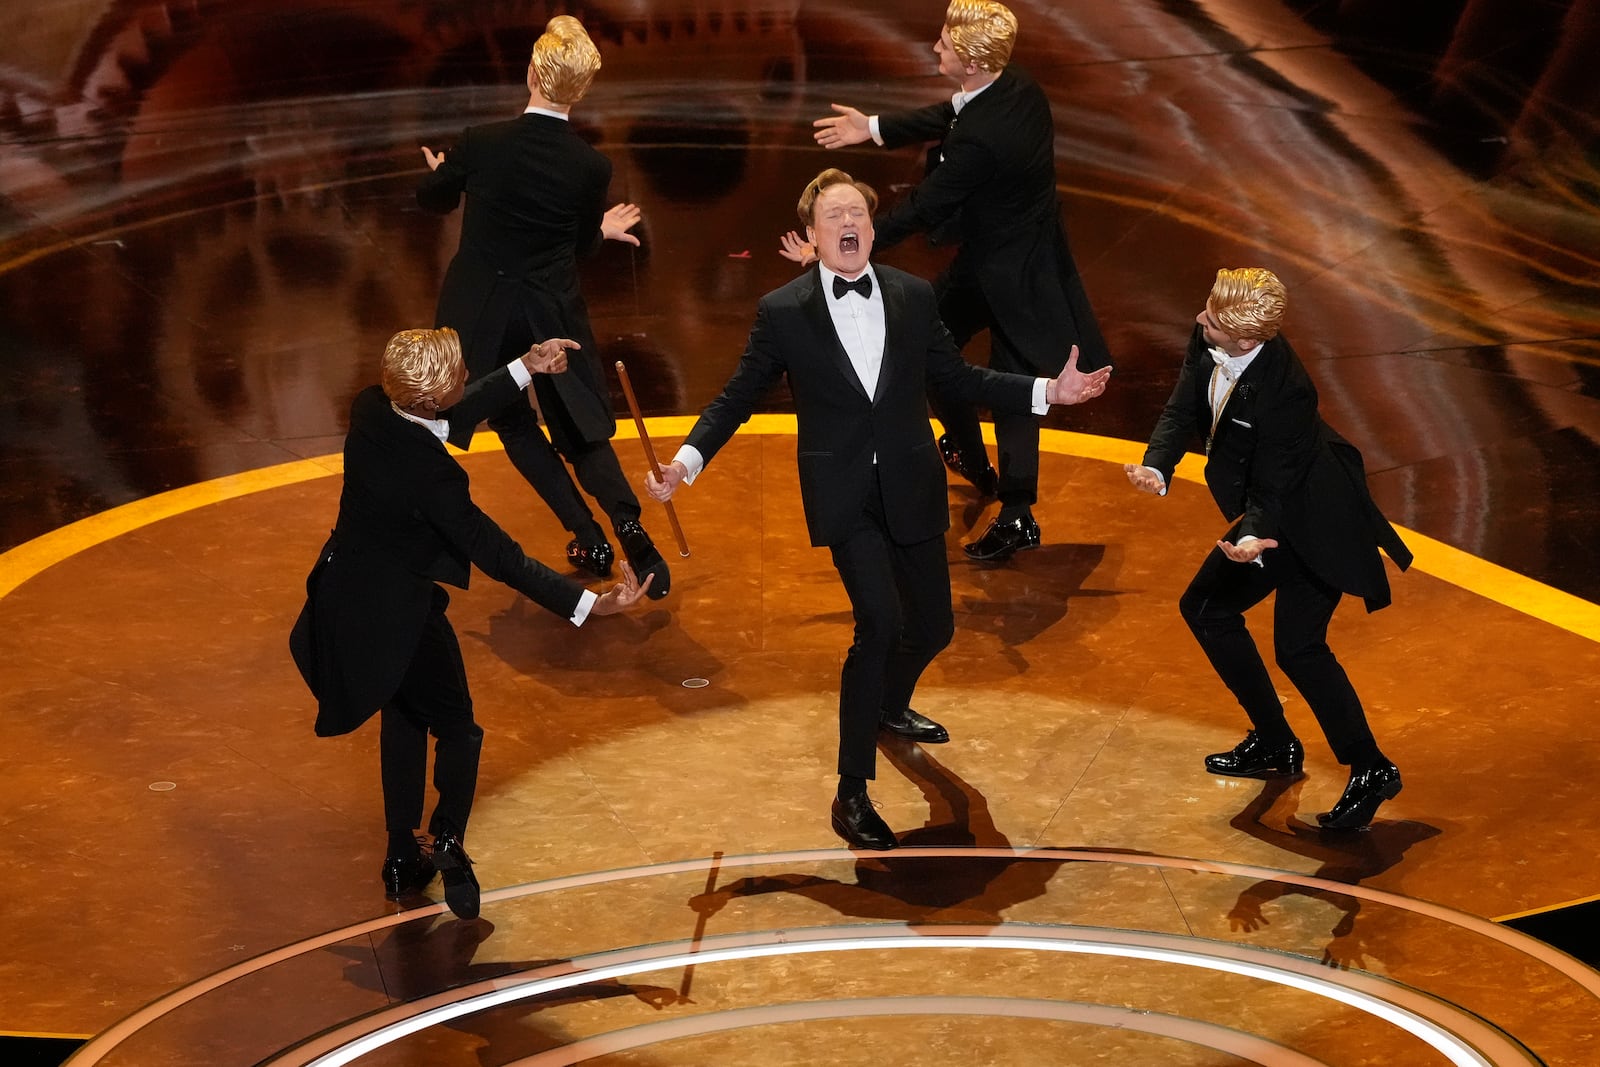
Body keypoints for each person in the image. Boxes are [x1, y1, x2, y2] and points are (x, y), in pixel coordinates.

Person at [646, 169, 1110, 850]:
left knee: (935, 626)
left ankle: (890, 705)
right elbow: (737, 395)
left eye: (857, 212)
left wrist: (1047, 390)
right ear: (811, 235)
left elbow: (957, 379)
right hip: (845, 496)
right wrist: (684, 464)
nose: (848, 224)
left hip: (910, 483)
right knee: (878, 622)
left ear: (870, 225)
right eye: (833, 215)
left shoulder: (912, 295)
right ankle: (852, 789)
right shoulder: (783, 311)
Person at [289, 327, 652, 920]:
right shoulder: (433, 479)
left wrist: (525, 369)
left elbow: (455, 410)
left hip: (348, 600)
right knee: (459, 729)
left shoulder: (373, 408)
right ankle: (450, 835)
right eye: (458, 373)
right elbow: (499, 554)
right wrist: (588, 606)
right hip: (401, 613)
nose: (465, 377)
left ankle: (402, 855)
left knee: (402, 722)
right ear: (429, 398)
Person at [804, 0, 1111, 562]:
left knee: (1017, 394)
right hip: (995, 259)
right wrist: (872, 128)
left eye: (944, 42)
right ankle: (973, 457)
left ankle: (1017, 512)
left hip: (1018, 278)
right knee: (930, 347)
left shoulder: (980, 141)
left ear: (970, 61)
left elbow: (923, 207)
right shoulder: (1015, 85)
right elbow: (954, 111)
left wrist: (847, 245)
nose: (936, 47)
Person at [1124, 268, 1412, 830]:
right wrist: (1158, 465)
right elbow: (1184, 404)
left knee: (1299, 649)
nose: (1199, 319)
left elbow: (1275, 483)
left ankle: (1372, 768)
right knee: (1207, 609)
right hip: (1270, 509)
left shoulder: (1287, 390)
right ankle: (1276, 743)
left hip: (1316, 520)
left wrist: (1252, 534)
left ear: (1248, 340)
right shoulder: (1211, 333)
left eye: (1211, 318)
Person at [416, 15, 670, 598]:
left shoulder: (482, 142)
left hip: (482, 315)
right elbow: (580, 244)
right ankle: (629, 528)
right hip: (549, 313)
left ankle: (587, 535)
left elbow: (430, 201)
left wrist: (444, 174)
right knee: (580, 430)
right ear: (579, 90)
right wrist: (600, 229)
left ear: (531, 72)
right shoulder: (590, 165)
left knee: (511, 419)